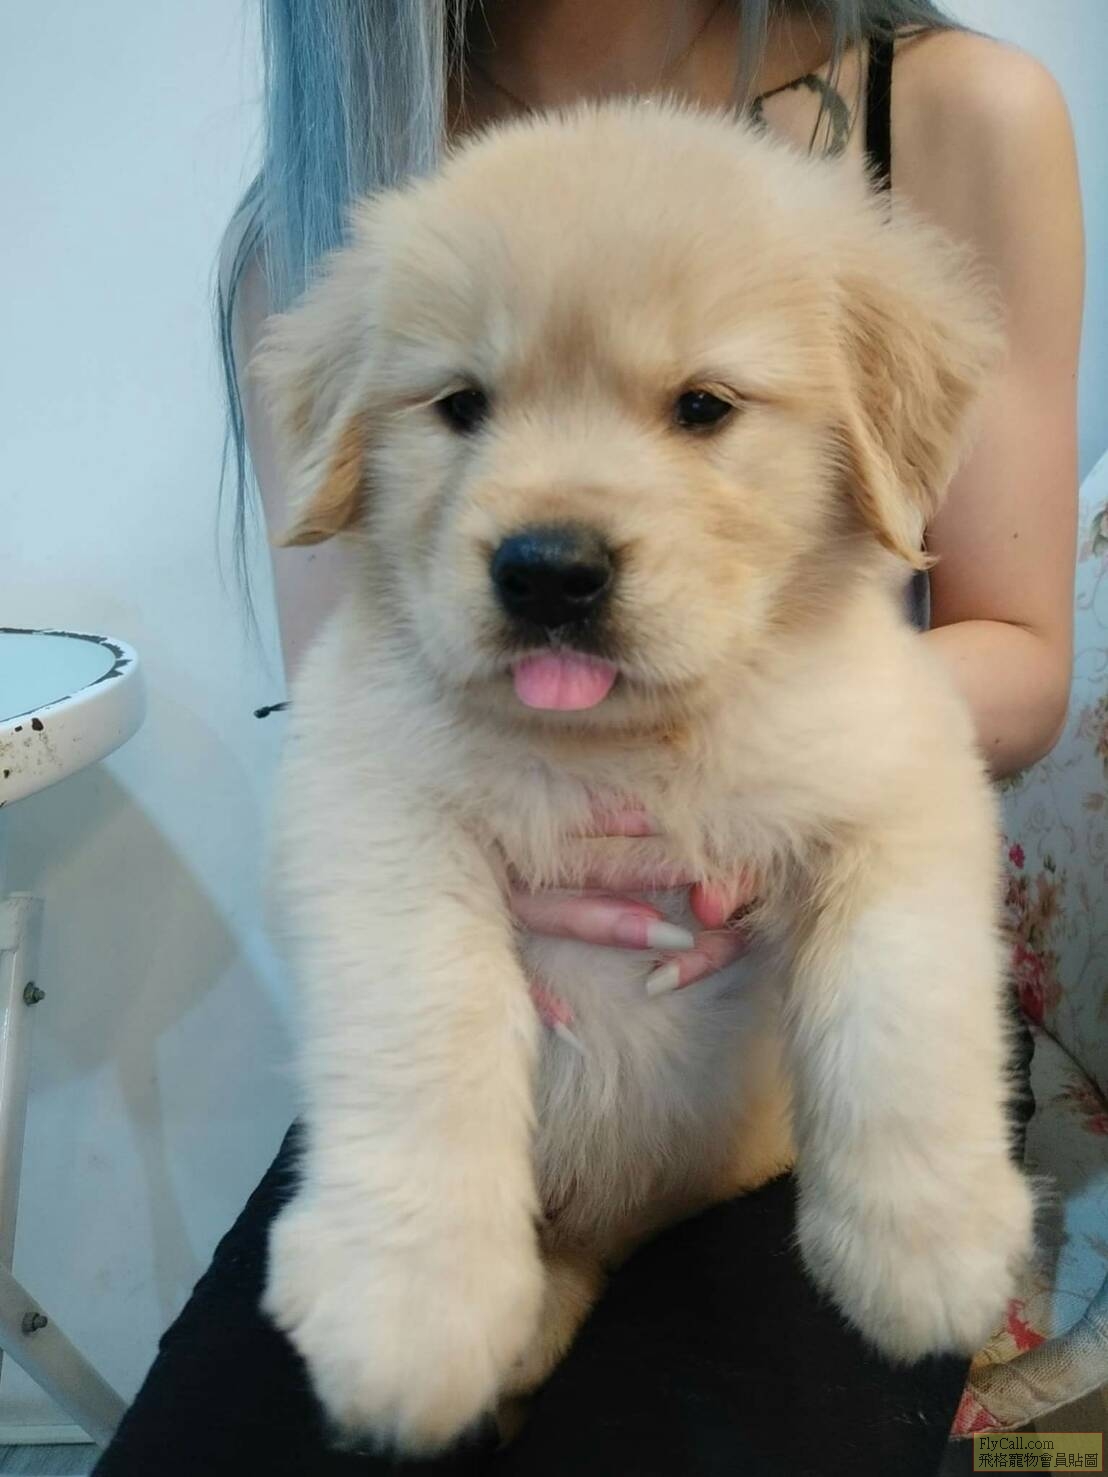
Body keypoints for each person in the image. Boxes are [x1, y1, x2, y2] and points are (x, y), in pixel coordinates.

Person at [95, 3, 1083, 1474]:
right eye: (466, 403)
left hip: (770, 1092)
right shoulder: (332, 200)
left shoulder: (952, 115)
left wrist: (756, 781)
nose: (552, 529)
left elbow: (988, 697)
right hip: (487, 1094)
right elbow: (350, 753)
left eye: (698, 405)